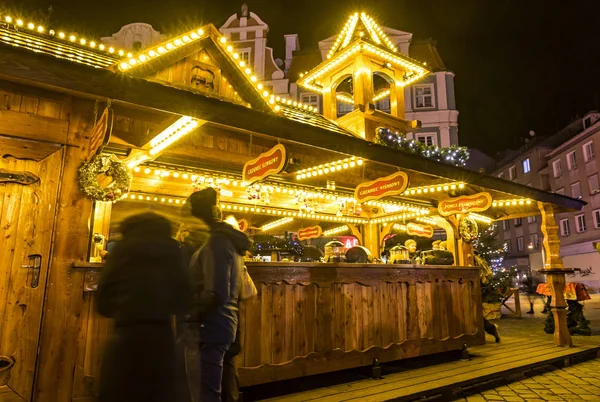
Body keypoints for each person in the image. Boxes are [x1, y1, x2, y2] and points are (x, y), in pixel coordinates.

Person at [96, 212, 191, 402]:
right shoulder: (172, 249)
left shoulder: (122, 248)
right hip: (160, 337)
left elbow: (104, 300)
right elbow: (182, 299)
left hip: (125, 335)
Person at [182, 188, 251, 402]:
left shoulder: (216, 243)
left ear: (199, 217)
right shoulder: (221, 241)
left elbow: (216, 292)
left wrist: (188, 309)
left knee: (206, 392)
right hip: (218, 324)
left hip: (210, 326)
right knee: (209, 388)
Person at [474, 252, 501, 343]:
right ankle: (491, 329)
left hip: (473, 287)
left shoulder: (473, 258)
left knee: (473, 314)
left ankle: (491, 329)